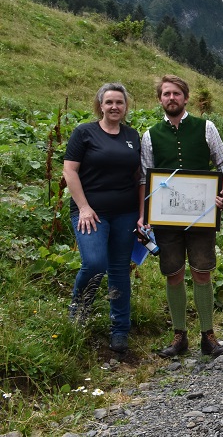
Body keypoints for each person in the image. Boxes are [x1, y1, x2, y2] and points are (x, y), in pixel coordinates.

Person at [140, 75, 223, 358]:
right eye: (166, 94)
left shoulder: (206, 127)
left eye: (176, 94)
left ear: (185, 97)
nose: (171, 98)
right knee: (173, 272)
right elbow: (146, 176)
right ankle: (179, 336)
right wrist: (145, 214)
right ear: (160, 99)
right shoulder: (150, 135)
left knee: (202, 270)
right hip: (166, 217)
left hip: (202, 213)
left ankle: (208, 335)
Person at [63, 83, 144, 354]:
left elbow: (138, 176)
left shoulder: (132, 136)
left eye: (119, 102)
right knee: (95, 263)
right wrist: (84, 207)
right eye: (108, 102)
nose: (114, 107)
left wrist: (143, 214)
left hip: (125, 213)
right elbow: (70, 172)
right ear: (100, 105)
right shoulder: (84, 133)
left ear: (125, 106)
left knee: (120, 269)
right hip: (91, 214)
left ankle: (120, 330)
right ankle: (78, 317)